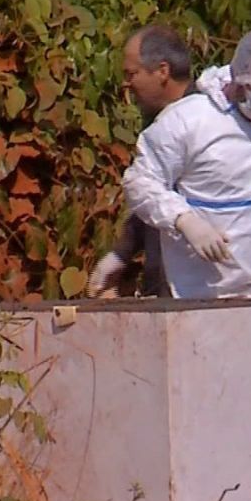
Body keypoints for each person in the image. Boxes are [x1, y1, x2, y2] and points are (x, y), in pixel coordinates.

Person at [121, 26, 251, 299]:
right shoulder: (190, 120)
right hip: (206, 300)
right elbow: (140, 183)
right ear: (240, 80)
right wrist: (184, 220)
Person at [87, 24, 196, 298]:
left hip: (198, 292)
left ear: (162, 71)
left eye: (131, 74)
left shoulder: (204, 125)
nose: (127, 84)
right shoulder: (158, 123)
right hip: (163, 290)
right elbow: (155, 201)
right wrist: (122, 253)